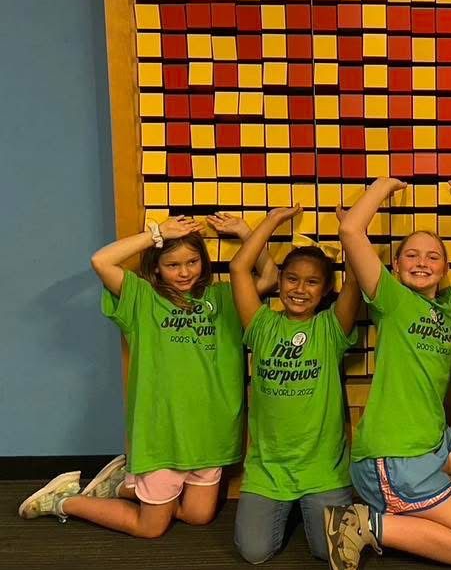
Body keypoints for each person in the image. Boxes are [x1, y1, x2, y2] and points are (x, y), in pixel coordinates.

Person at [19, 213, 275, 538]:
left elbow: (270, 276)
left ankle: (123, 486)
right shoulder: (142, 299)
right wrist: (157, 233)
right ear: (156, 267)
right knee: (151, 528)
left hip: (210, 434)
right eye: (173, 265)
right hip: (161, 435)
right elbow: (101, 261)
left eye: (192, 262)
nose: (185, 272)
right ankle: (63, 500)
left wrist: (244, 231)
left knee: (198, 516)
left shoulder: (224, 297)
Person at [324, 177, 451, 570]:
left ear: (445, 269)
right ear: (395, 266)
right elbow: (351, 230)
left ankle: (438, 491)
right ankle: (365, 523)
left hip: (434, 441)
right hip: (393, 457)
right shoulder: (391, 298)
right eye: (411, 255)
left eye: (433, 257)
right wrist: (384, 184)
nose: (422, 263)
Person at [230, 205, 361, 563]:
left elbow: (355, 281)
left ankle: (317, 510)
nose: (299, 289)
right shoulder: (261, 325)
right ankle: (290, 509)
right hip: (268, 469)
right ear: (280, 280)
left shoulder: (330, 328)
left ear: (326, 289)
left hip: (322, 469)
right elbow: (239, 268)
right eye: (291, 279)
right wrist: (273, 220)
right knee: (254, 553)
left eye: (312, 282)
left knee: (330, 554)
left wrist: (348, 230)